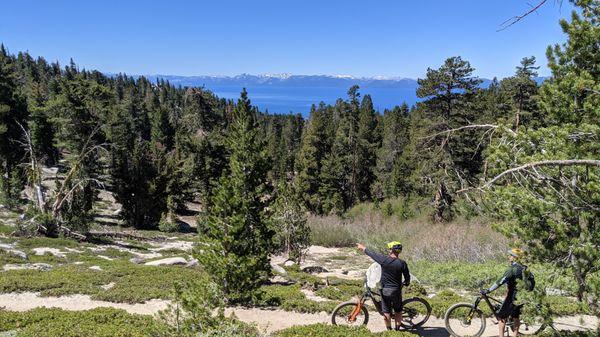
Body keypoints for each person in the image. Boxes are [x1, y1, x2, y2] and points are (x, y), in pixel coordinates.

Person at [357, 241, 410, 331]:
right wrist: (406, 283)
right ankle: (397, 330)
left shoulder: (384, 260)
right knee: (398, 310)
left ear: (392, 251)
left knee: (386, 312)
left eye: (390, 249)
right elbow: (407, 277)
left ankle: (389, 330)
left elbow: (372, 254)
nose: (389, 250)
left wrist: (362, 248)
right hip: (396, 291)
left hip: (385, 291)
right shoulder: (402, 263)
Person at [482, 248, 526, 337]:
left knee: (501, 318)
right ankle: (515, 335)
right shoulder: (524, 267)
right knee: (516, 317)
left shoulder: (512, 269)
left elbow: (500, 281)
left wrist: (489, 290)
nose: (509, 257)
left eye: (511, 255)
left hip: (512, 296)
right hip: (521, 295)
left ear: (515, 258)